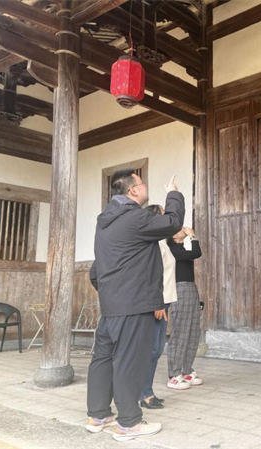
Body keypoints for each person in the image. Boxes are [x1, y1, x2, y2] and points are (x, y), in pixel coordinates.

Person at [87, 171, 184, 441]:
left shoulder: (104, 223)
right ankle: (128, 423)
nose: (145, 187)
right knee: (129, 361)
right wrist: (174, 193)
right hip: (132, 304)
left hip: (111, 306)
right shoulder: (135, 217)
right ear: (132, 191)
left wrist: (112, 293)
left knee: (103, 359)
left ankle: (98, 416)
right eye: (142, 184)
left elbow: (95, 272)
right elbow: (173, 222)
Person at [138, 205, 178, 410]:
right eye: (163, 214)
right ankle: (144, 394)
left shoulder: (162, 242)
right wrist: (157, 303)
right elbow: (152, 275)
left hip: (165, 300)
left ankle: (147, 391)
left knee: (156, 349)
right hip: (158, 302)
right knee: (152, 349)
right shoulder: (153, 244)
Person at [165, 226, 204, 390]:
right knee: (180, 331)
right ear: (173, 236)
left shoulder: (181, 248)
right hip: (179, 289)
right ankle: (173, 375)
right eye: (178, 229)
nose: (183, 229)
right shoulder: (171, 249)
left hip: (190, 288)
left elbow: (193, 253)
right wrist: (193, 236)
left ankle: (187, 370)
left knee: (193, 331)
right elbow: (196, 252)